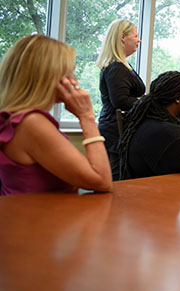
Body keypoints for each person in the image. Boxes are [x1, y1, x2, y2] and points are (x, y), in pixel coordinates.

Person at [0, 35, 112, 195]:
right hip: (38, 218)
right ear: (48, 77)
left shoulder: (14, 118)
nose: (73, 79)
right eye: (68, 73)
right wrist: (86, 115)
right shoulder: (31, 123)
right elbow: (101, 181)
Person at [97, 19, 145, 181]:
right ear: (123, 37)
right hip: (114, 131)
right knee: (118, 179)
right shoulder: (116, 67)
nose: (139, 40)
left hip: (118, 130)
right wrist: (145, 101)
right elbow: (121, 101)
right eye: (136, 36)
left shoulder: (122, 65)